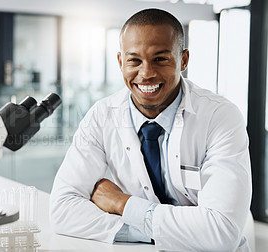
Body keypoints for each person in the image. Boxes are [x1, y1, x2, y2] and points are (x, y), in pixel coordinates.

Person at [49, 8, 252, 252]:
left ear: (184, 60)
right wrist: (160, 232)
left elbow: (221, 232)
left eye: (160, 59)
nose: (146, 74)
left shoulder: (220, 116)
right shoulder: (101, 116)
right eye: (134, 60)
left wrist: (122, 204)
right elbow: (62, 210)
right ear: (120, 62)